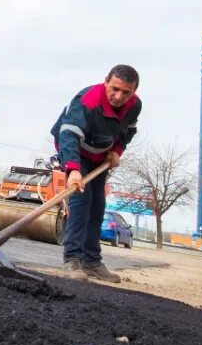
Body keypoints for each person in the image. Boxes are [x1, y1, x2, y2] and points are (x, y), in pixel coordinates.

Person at [50, 65, 142, 283]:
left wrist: (117, 151)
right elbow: (69, 134)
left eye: (126, 92)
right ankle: (72, 259)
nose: (118, 96)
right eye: (114, 88)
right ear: (105, 81)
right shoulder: (88, 100)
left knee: (97, 205)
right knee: (82, 201)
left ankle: (91, 262)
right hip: (74, 150)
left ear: (134, 91)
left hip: (99, 156)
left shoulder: (135, 106)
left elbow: (128, 132)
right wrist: (72, 169)